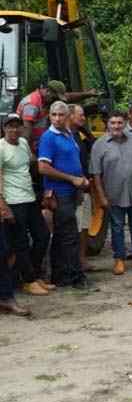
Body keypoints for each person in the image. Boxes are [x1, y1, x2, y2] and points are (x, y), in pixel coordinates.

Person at [90, 111, 132, 275]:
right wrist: (101, 197)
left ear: (125, 123)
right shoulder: (99, 145)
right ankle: (119, 260)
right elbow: (96, 174)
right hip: (113, 194)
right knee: (117, 228)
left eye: (119, 122)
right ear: (108, 124)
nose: (116, 126)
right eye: (113, 123)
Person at [37, 101, 89, 288]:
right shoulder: (48, 137)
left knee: (61, 236)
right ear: (49, 116)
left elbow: (73, 161)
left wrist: (81, 179)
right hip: (60, 193)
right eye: (54, 115)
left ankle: (59, 276)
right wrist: (72, 179)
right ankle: (76, 277)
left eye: (61, 115)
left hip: (73, 191)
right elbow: (43, 168)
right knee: (70, 235)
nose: (57, 118)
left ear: (67, 116)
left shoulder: (69, 134)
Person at [0, 114, 51, 295]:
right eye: (10, 126)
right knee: (20, 242)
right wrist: (3, 205)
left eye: (17, 126)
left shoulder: (23, 143)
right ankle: (28, 281)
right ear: (4, 128)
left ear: (22, 128)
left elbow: (32, 163)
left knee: (43, 235)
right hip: (13, 201)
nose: (14, 130)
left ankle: (35, 275)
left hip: (29, 198)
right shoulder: (1, 148)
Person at [17, 80, 98, 149]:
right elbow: (26, 130)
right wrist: (28, 152)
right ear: (48, 91)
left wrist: (88, 94)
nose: (56, 100)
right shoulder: (32, 104)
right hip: (32, 145)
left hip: (42, 141)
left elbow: (69, 97)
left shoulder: (48, 98)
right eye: (55, 97)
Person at [68, 104, 96, 272]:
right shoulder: (65, 136)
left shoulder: (79, 135)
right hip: (74, 189)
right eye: (81, 115)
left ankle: (82, 259)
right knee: (76, 227)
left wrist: (85, 130)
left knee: (85, 225)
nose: (84, 118)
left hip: (85, 187)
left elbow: (94, 145)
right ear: (70, 116)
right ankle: (73, 263)